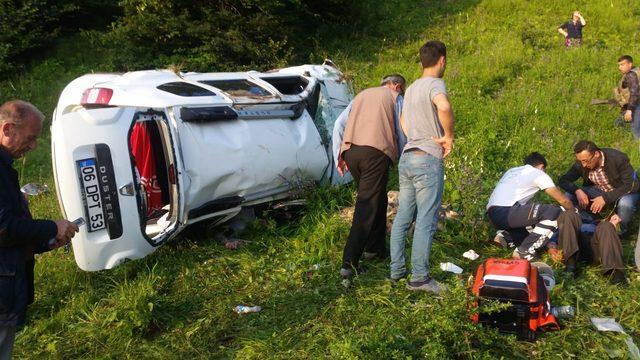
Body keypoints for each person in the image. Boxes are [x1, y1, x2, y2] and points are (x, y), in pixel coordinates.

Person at [0, 100, 78, 358]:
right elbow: (3, 227)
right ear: (8, 129)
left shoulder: (5, 167)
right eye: (31, 138)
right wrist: (49, 227)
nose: (33, 146)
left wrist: (46, 240)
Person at [388, 40, 454, 293]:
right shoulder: (435, 84)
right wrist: (448, 136)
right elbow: (444, 106)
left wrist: (415, 135)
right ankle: (419, 279)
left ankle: (396, 271)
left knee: (404, 215)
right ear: (442, 60)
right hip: (427, 157)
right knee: (426, 219)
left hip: (407, 157)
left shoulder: (412, 87)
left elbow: (403, 123)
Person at [332, 74, 406, 279]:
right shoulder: (395, 97)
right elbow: (401, 132)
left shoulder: (361, 95)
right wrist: (403, 158)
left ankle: (375, 249)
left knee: (378, 199)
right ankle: (349, 264)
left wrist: (338, 154)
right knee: (366, 205)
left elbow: (339, 124)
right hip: (374, 153)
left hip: (352, 152)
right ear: (397, 86)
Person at [486, 152, 575, 261]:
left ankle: (506, 237)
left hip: (493, 214)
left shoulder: (512, 171)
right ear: (542, 166)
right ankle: (525, 251)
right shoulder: (538, 173)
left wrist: (549, 248)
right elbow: (563, 200)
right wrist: (574, 212)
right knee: (553, 212)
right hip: (507, 212)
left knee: (534, 224)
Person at [558, 140, 639, 234]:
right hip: (601, 190)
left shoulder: (617, 158)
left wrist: (605, 198)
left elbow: (632, 185)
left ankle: (621, 232)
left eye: (585, 161)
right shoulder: (581, 163)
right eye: (580, 161)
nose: (583, 165)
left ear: (596, 154)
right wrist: (577, 190)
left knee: (625, 204)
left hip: (623, 191)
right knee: (569, 195)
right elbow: (563, 180)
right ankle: (589, 221)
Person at [554, 211, 627, 284]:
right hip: (572, 246)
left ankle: (616, 273)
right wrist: (551, 246)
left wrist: (612, 225)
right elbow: (554, 233)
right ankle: (570, 267)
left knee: (606, 225)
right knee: (568, 214)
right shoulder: (564, 211)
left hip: (597, 245)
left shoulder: (597, 215)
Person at [613, 55, 640, 138]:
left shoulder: (631, 75)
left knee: (636, 131)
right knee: (618, 122)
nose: (619, 67)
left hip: (636, 106)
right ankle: (625, 140)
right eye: (619, 65)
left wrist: (629, 110)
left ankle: (636, 148)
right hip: (635, 105)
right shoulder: (636, 71)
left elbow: (634, 93)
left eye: (622, 64)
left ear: (630, 64)